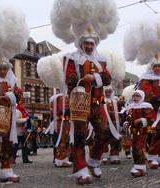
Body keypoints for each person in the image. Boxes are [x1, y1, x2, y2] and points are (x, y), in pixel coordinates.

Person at [64, 29, 112, 184]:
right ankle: (80, 170)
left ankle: (94, 161)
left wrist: (95, 77)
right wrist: (79, 84)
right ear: (81, 44)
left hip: (97, 102)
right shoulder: (72, 58)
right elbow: (69, 78)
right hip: (80, 103)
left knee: (104, 132)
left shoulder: (101, 59)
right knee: (79, 136)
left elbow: (107, 78)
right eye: (86, 43)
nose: (89, 46)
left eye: (91, 43)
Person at [139, 58, 160, 169]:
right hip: (153, 110)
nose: (157, 68)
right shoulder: (146, 80)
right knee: (157, 132)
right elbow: (149, 95)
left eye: (159, 66)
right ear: (151, 68)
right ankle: (152, 157)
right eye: (155, 66)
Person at [124, 90, 154, 177]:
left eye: (137, 96)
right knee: (134, 148)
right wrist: (126, 122)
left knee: (138, 147)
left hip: (142, 131)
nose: (135, 98)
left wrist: (141, 120)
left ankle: (140, 167)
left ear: (142, 97)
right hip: (133, 131)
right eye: (134, 96)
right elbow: (127, 118)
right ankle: (139, 166)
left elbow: (150, 119)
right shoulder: (130, 107)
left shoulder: (146, 106)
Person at [49, 93, 72, 167]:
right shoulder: (62, 98)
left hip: (58, 122)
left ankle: (60, 158)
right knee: (63, 140)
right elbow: (64, 110)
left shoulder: (53, 98)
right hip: (63, 122)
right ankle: (61, 158)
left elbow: (52, 111)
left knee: (60, 141)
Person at [102, 86, 123, 164]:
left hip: (114, 123)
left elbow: (120, 111)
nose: (107, 93)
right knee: (104, 139)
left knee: (115, 139)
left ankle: (114, 155)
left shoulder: (116, 101)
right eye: (106, 92)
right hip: (105, 123)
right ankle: (104, 155)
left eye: (109, 92)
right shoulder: (101, 100)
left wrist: (120, 120)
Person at [13, 93, 32, 164]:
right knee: (16, 146)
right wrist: (26, 119)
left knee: (24, 146)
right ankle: (12, 158)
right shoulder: (17, 111)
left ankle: (25, 159)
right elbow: (17, 121)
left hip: (23, 131)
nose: (24, 105)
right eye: (23, 104)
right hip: (18, 131)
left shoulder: (24, 111)